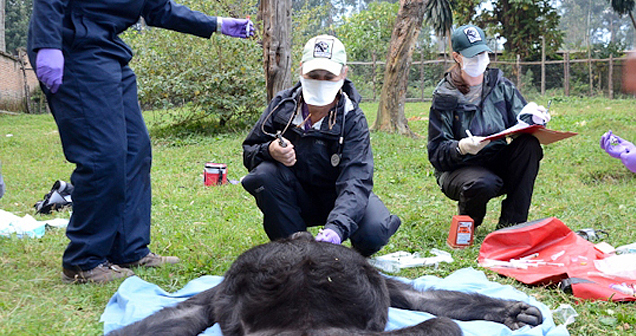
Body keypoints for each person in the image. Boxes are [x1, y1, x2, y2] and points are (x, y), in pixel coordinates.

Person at [28, 1, 254, 283]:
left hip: (109, 52)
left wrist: (217, 24)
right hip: (73, 49)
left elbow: (160, 9)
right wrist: (47, 42)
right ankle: (84, 261)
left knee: (136, 150)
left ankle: (128, 249)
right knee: (104, 155)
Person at [241, 35, 400, 257]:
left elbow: (357, 179)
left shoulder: (352, 117)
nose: (321, 81)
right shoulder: (282, 105)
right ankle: (296, 249)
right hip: (294, 196)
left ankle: (342, 240)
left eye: (329, 76)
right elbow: (249, 151)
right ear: (301, 70)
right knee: (263, 176)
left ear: (344, 74)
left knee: (374, 231)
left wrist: (337, 228)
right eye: (314, 75)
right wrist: (270, 150)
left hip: (338, 194)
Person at [427, 25, 550, 229]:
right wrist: (461, 147)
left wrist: (536, 117)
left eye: (482, 53)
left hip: (496, 158)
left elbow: (522, 119)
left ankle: (512, 225)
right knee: (482, 183)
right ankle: (468, 224)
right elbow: (437, 153)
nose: (479, 59)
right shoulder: (445, 95)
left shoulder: (500, 85)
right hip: (460, 169)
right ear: (457, 57)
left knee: (529, 145)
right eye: (472, 55)